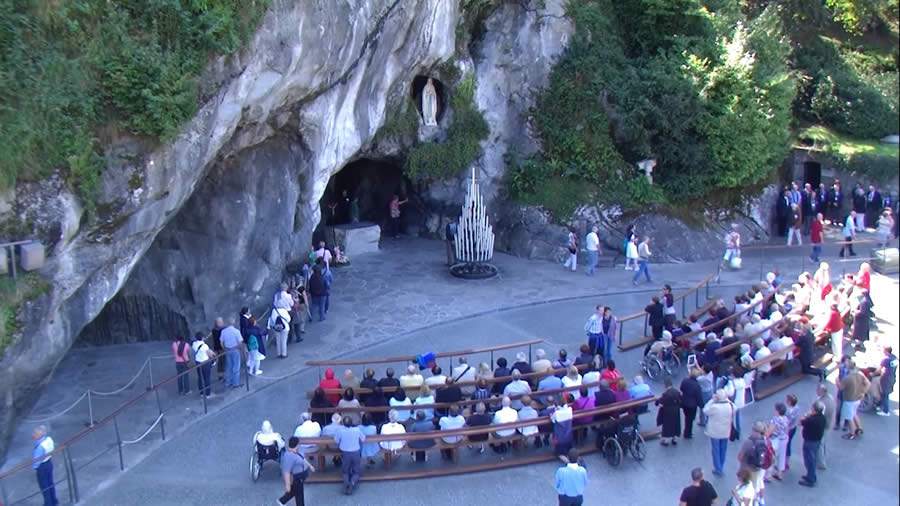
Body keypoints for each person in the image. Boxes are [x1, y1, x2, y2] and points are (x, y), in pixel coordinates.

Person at [703, 389, 733, 476]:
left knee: (715, 450)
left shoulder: (715, 407)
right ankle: (721, 465)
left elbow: (705, 410)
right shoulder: (729, 405)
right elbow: (735, 408)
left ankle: (718, 468)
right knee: (723, 449)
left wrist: (712, 400)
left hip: (715, 432)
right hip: (726, 431)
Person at [736, 421, 768, 503]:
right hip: (756, 469)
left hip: (746, 469)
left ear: (754, 430)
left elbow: (740, 456)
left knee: (743, 488)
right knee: (752, 488)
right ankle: (754, 501)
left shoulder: (749, 442)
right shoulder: (764, 440)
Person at [333, 416, 366, 495]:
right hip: (356, 452)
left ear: (343, 423)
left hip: (345, 453)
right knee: (356, 471)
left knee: (345, 471)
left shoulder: (340, 430)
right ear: (352, 423)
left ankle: (346, 482)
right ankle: (352, 482)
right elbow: (363, 439)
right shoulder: (357, 430)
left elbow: (336, 441)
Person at [278, 437, 314, 506]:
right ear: (297, 445)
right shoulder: (289, 456)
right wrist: (287, 485)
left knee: (295, 491)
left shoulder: (297, 451)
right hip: (297, 478)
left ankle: (282, 500)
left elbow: (302, 458)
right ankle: (283, 501)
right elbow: (286, 472)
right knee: (299, 495)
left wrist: (310, 466)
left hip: (300, 477)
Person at [798, 401, 827, 487]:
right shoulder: (822, 418)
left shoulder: (811, 420)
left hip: (809, 442)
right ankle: (811, 476)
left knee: (809, 460)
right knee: (812, 459)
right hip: (816, 441)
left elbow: (801, 422)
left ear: (815, 410)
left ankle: (811, 479)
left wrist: (806, 415)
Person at [839, 361, 869, 439]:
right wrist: (863, 393)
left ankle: (852, 433)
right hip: (858, 398)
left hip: (849, 399)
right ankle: (859, 428)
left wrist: (837, 381)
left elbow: (841, 388)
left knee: (849, 417)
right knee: (854, 413)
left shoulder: (847, 378)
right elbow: (868, 383)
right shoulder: (860, 374)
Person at [31, 425, 58, 506]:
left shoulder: (40, 447)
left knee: (44, 487)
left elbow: (36, 461)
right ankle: (54, 501)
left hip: (42, 467)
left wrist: (34, 467)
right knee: (50, 483)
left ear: (40, 435)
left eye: (35, 433)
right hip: (49, 463)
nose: (33, 435)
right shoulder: (48, 440)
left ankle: (48, 504)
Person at [657, 378, 682, 446]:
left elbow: (660, 401)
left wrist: (657, 402)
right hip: (676, 410)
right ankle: (674, 439)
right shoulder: (676, 392)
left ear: (665, 385)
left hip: (668, 411)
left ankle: (666, 440)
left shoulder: (665, 394)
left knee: (667, 425)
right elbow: (680, 400)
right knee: (675, 424)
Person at [220, 319, 244, 388]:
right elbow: (240, 342)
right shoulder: (236, 331)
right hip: (235, 349)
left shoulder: (223, 331)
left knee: (229, 366)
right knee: (236, 366)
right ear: (234, 323)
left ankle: (228, 382)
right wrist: (240, 349)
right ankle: (235, 383)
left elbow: (221, 342)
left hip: (227, 350)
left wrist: (225, 349)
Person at [680, 368, 703, 440]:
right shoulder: (697, 385)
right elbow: (698, 396)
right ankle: (687, 433)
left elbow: (681, 388)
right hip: (692, 405)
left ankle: (687, 431)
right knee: (690, 419)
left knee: (687, 417)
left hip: (684, 403)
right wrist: (701, 405)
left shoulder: (685, 381)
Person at [878, 346, 898, 416]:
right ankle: (880, 406)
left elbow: (879, 369)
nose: (883, 351)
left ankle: (886, 411)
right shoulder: (895, 358)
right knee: (885, 393)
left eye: (883, 350)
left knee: (885, 394)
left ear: (886, 351)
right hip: (892, 377)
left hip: (886, 378)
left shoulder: (886, 359)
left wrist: (873, 374)